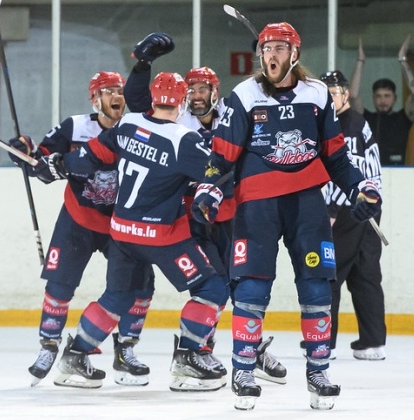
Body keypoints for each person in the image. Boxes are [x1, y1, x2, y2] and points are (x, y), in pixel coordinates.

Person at [191, 22, 382, 411]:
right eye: (265, 48)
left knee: (316, 287)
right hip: (257, 205)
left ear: (294, 54)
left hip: (307, 204)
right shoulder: (244, 95)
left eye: (278, 48)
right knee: (251, 287)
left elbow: (336, 157)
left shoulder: (315, 95)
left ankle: (318, 370)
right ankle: (244, 369)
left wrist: (361, 188)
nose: (270, 55)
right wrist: (209, 187)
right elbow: (222, 156)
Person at [31, 71, 230, 392]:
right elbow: (216, 174)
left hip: (121, 233)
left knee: (118, 297)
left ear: (152, 98)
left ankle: (75, 356)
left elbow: (87, 158)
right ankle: (188, 357)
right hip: (162, 235)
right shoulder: (185, 140)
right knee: (213, 290)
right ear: (180, 103)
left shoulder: (127, 125)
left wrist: (53, 164)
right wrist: (212, 191)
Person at [124, 32, 287, 386]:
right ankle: (197, 351)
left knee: (244, 285)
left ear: (216, 92)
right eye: (192, 90)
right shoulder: (177, 123)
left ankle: (251, 347)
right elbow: (138, 104)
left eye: (203, 90)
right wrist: (142, 63)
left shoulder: (233, 115)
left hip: (234, 216)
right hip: (194, 218)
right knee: (212, 287)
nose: (196, 97)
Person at [8, 71, 153, 387]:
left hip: (122, 224)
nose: (117, 95)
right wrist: (22, 151)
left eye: (120, 90)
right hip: (79, 219)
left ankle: (125, 349)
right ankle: (49, 346)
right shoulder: (74, 126)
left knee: (141, 285)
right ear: (94, 99)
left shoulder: (137, 128)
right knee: (60, 284)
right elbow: (40, 161)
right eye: (108, 90)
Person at [303, 70, 386, 361]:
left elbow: (346, 173)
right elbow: (372, 172)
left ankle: (326, 341)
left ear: (345, 94)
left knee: (330, 274)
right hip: (369, 211)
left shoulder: (344, 126)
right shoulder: (359, 121)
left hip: (348, 211)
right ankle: (373, 342)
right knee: (366, 277)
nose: (328, 99)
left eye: (333, 94)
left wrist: (332, 209)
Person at [349, 35, 414, 165]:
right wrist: (360, 61)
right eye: (378, 96)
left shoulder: (403, 118)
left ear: (395, 98)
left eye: (387, 96)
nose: (382, 100)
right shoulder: (367, 118)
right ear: (373, 98)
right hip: (370, 172)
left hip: (398, 173)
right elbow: (353, 96)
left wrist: (402, 60)